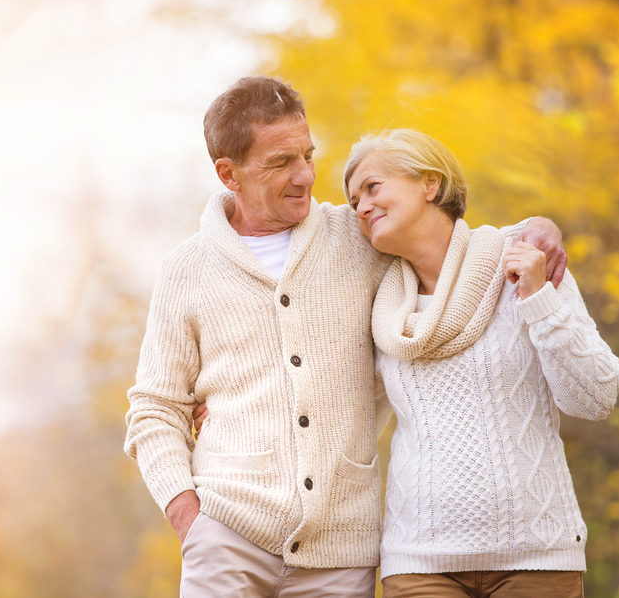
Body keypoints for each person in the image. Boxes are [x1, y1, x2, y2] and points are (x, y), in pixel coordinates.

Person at [123, 76, 566, 598]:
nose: (305, 175)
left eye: (307, 155)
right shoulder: (187, 269)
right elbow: (155, 408)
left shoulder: (359, 238)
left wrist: (536, 227)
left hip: (340, 551)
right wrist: (187, 513)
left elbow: (450, 246)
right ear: (229, 173)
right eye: (280, 162)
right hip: (226, 537)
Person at [343, 129, 619, 597]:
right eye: (354, 201)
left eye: (373, 187)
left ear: (430, 184)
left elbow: (596, 397)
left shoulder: (523, 264)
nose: (362, 207)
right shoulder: (378, 307)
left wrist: (539, 301)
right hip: (419, 565)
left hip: (537, 559)